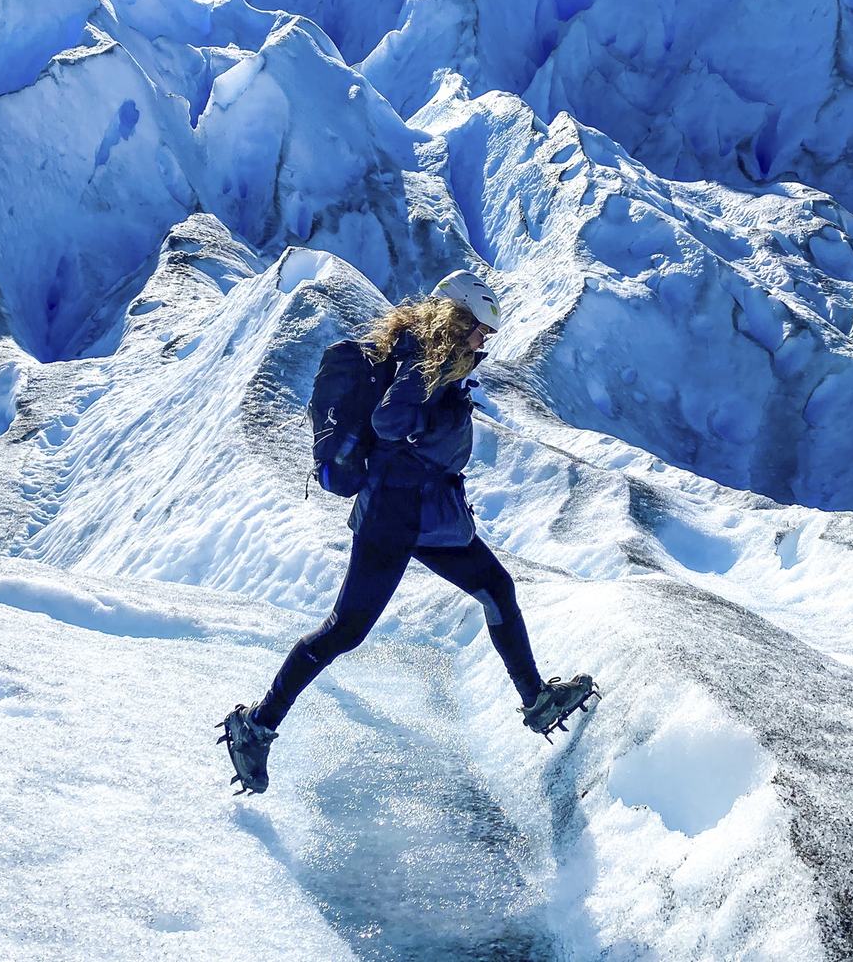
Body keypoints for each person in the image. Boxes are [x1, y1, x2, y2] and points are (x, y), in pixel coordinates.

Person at [219, 270, 596, 794]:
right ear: (457, 317)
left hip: (426, 512)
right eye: (480, 329)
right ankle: (256, 724)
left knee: (496, 588)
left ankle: (535, 700)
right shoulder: (428, 355)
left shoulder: (426, 351)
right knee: (346, 628)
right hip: (397, 515)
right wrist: (429, 428)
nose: (484, 340)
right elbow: (391, 421)